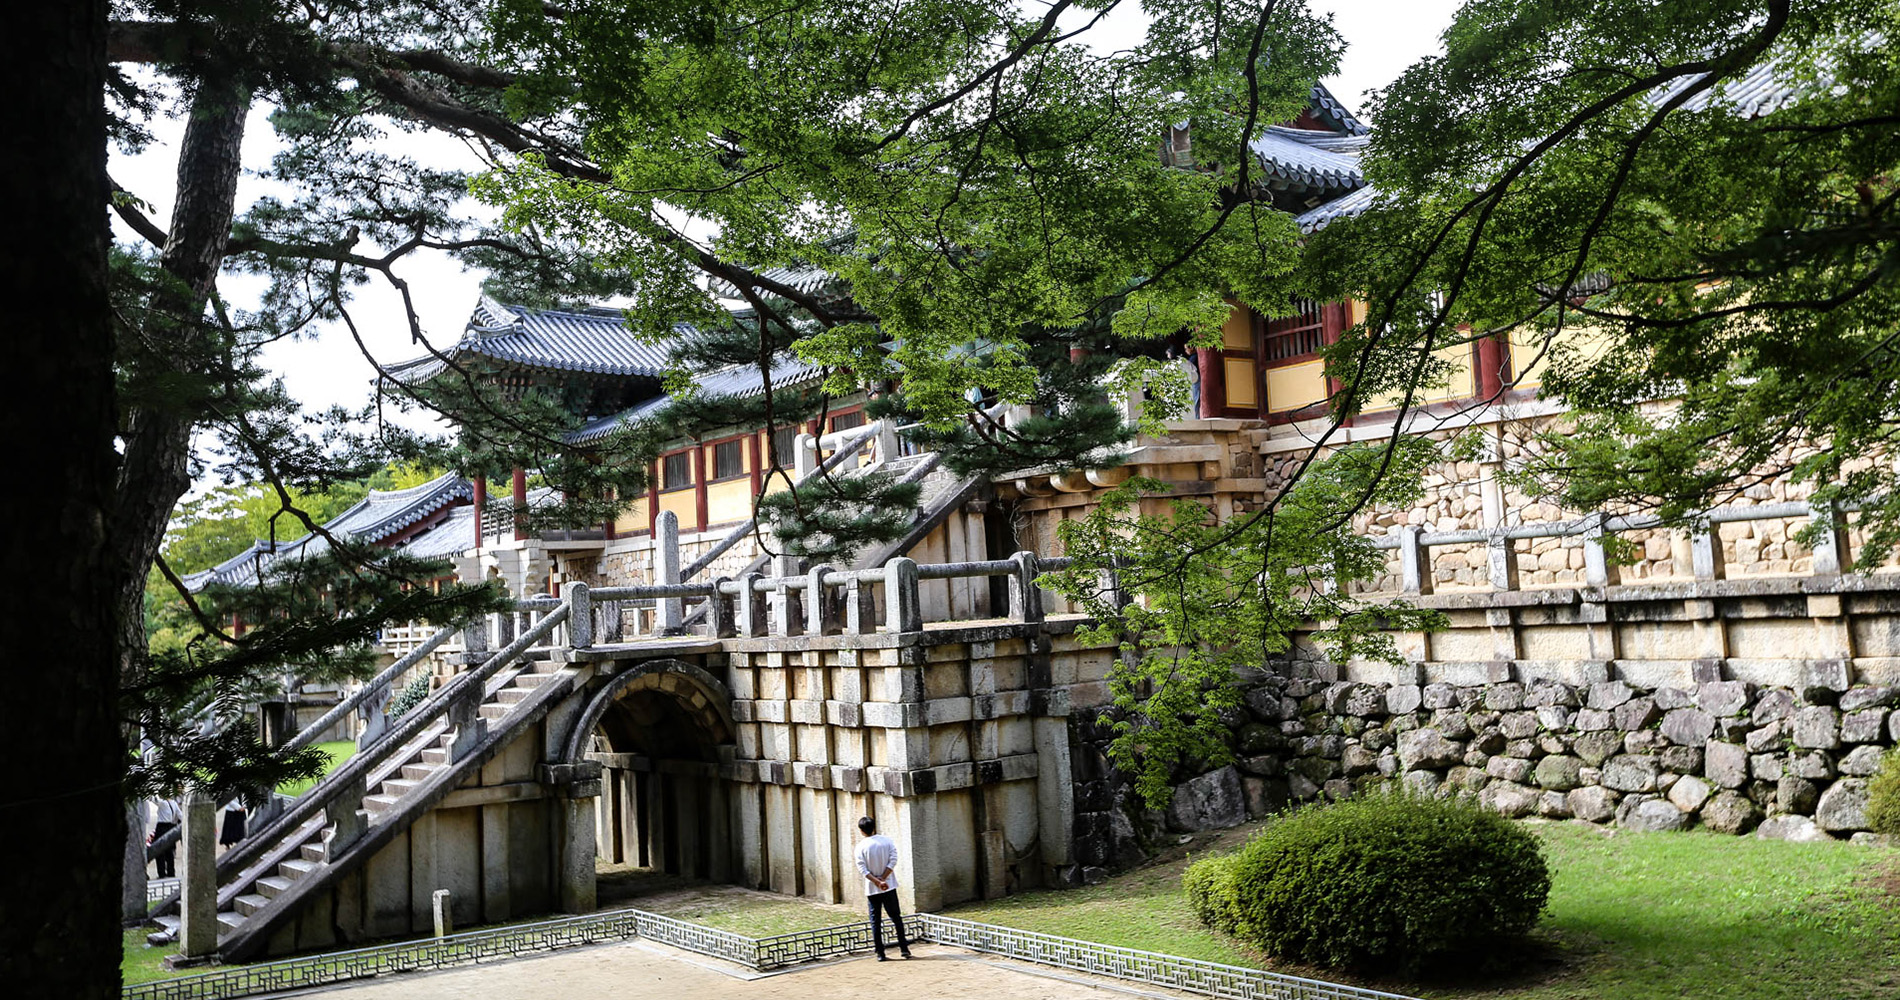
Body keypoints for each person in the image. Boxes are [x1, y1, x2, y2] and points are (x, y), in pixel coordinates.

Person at [853, 816, 911, 961]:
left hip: (872, 889)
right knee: (896, 918)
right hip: (889, 886)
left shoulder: (860, 846)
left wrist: (877, 882)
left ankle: (880, 953)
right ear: (874, 827)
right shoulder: (887, 841)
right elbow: (893, 860)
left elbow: (862, 869)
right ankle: (904, 949)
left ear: (861, 831)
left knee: (875, 920)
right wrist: (883, 879)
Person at [150, 796, 180, 878]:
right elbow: (180, 815)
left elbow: (153, 800)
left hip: (161, 827)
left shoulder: (162, 803)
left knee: (159, 851)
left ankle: (161, 873)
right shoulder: (174, 803)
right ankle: (171, 872)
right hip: (170, 827)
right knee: (169, 851)